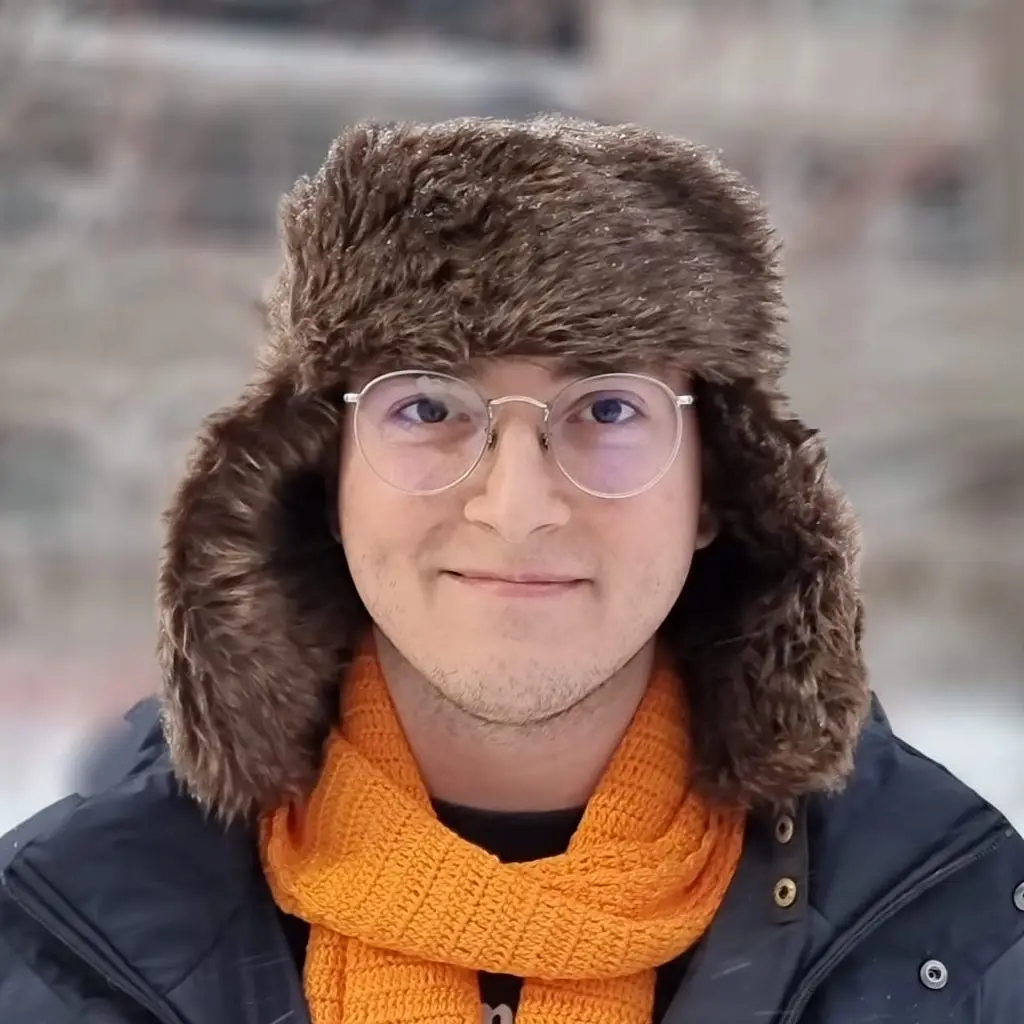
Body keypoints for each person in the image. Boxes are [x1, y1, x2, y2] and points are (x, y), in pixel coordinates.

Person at [0, 116, 1021, 1024]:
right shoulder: (63, 941)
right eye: (429, 408)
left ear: (718, 486)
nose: (518, 507)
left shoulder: (958, 940)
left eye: (609, 410)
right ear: (325, 475)